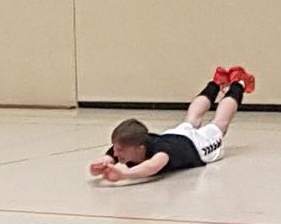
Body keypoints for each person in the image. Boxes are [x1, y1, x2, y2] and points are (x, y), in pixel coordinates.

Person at [88, 66, 255, 184]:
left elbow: (151, 167)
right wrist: (100, 165)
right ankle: (215, 83)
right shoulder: (129, 144)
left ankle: (238, 83)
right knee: (192, 118)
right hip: (176, 135)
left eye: (120, 150)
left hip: (196, 146)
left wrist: (124, 174)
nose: (115, 153)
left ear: (139, 148)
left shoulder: (162, 153)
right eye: (115, 149)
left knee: (219, 124)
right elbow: (108, 158)